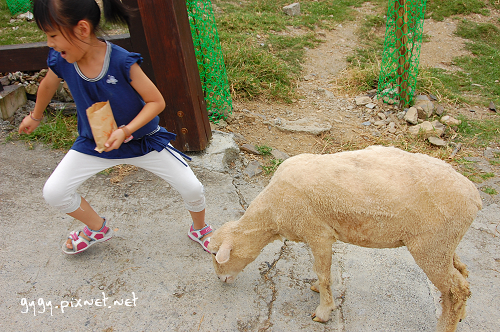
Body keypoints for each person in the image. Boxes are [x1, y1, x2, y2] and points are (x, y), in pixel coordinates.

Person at [18, 0, 213, 254]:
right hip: (94, 143)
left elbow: (156, 102)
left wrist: (126, 130)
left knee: (193, 188)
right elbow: (47, 85)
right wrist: (35, 116)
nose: (49, 43)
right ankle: (97, 228)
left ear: (82, 30)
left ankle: (199, 228)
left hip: (142, 141)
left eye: (53, 35)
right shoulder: (61, 59)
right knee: (54, 192)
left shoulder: (121, 61)